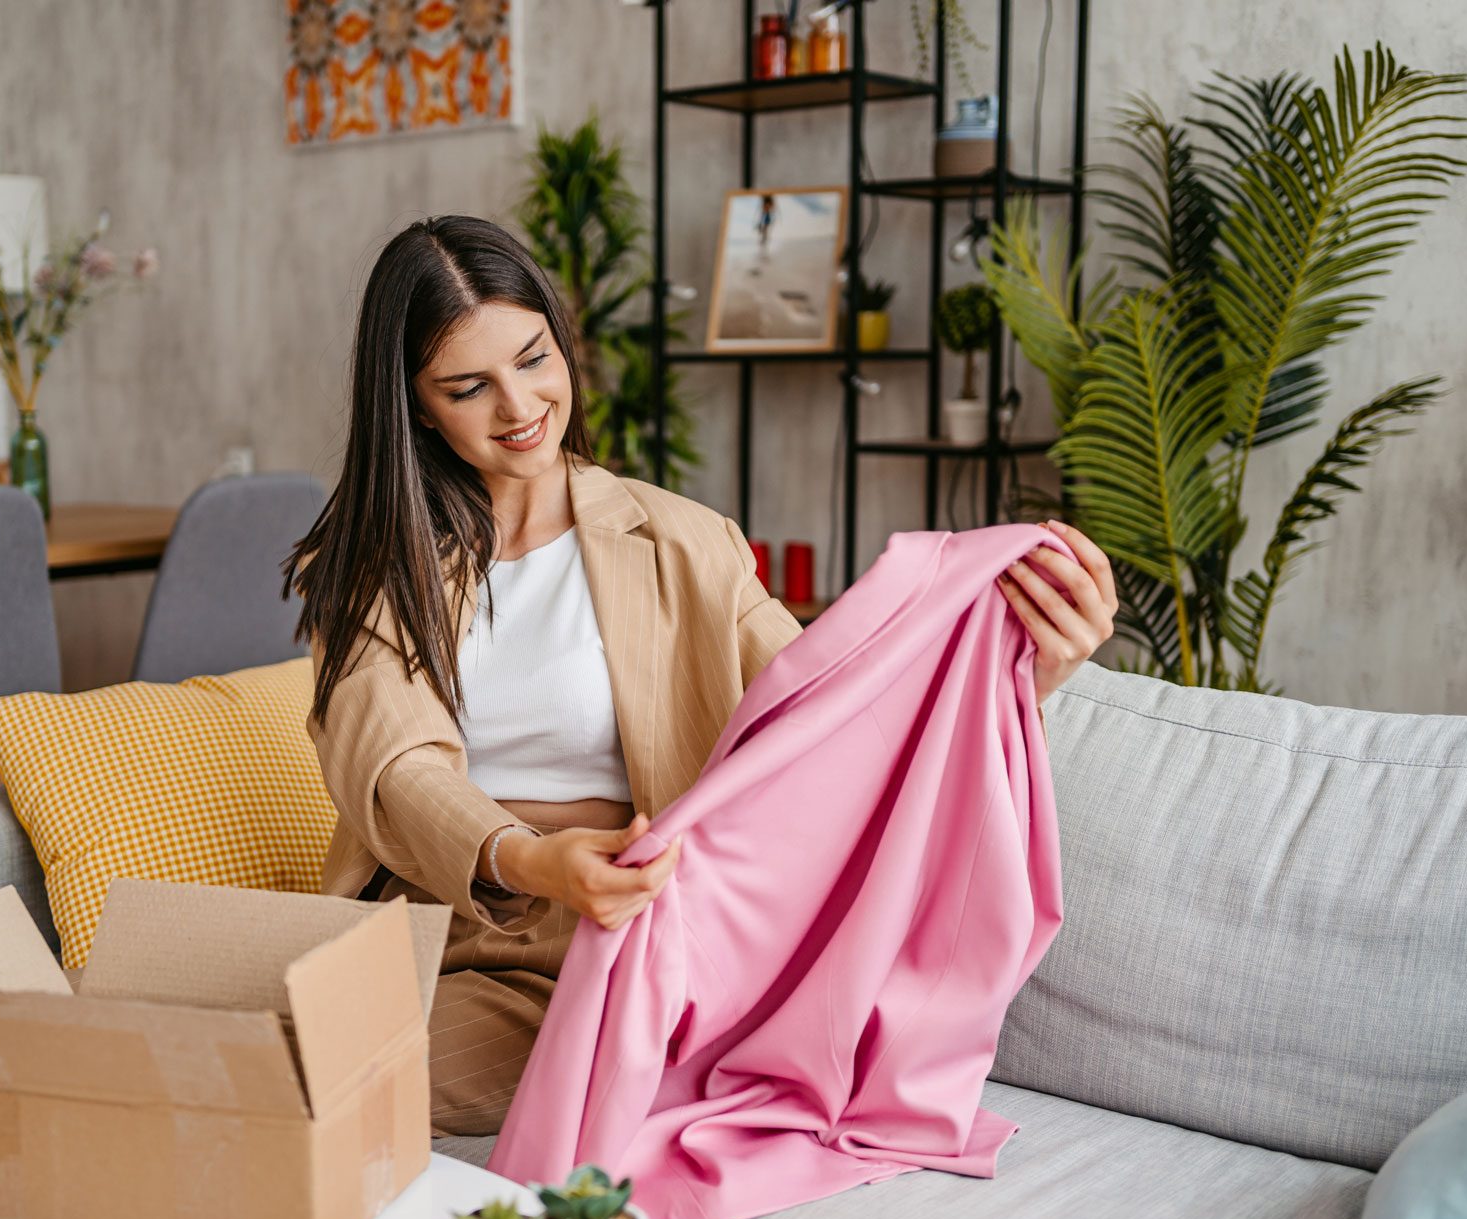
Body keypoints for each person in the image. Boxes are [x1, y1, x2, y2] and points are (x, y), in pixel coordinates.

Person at [283, 214, 1117, 1137]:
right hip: (433, 927)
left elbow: (834, 709)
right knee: (252, 1054)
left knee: (330, 1080)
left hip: (615, 947)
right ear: (416, 405)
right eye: (469, 386)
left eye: (534, 358)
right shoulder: (369, 567)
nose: (519, 406)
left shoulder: (687, 540)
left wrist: (1026, 670)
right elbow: (398, 770)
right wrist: (530, 858)